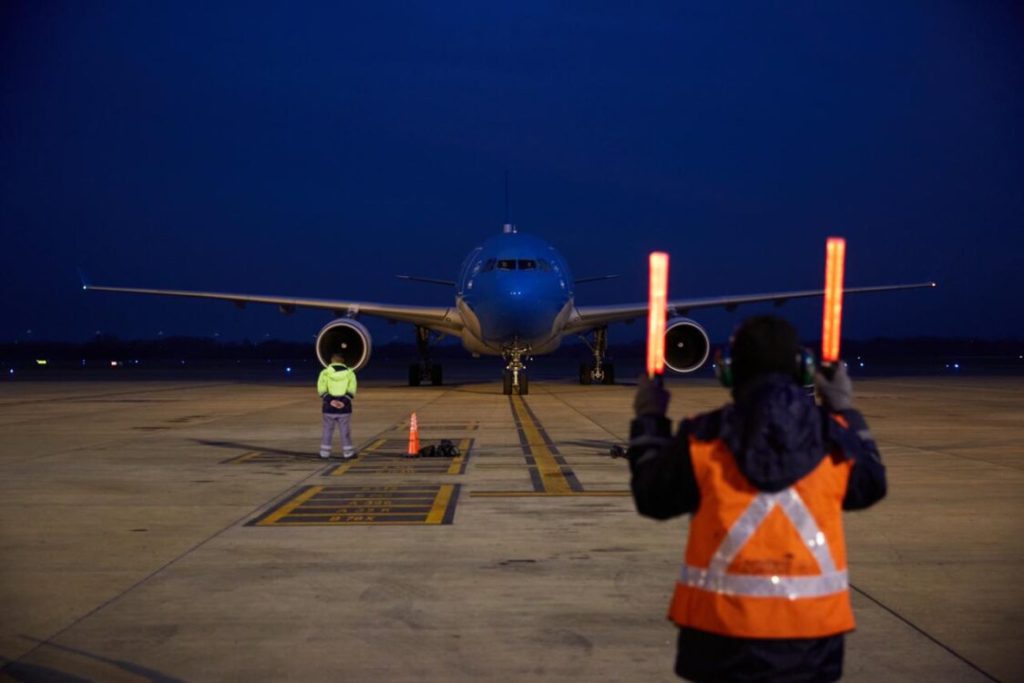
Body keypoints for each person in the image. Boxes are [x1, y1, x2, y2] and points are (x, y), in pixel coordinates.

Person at [627, 315, 886, 683]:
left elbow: (651, 498)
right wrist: (845, 410)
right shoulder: (833, 439)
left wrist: (649, 418)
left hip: (720, 643)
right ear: (803, 369)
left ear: (728, 370)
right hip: (810, 646)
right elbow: (872, 485)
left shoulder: (703, 438)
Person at [317, 353, 358, 459]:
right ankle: (348, 453)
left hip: (328, 407)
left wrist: (330, 401)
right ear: (342, 362)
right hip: (344, 408)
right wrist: (343, 402)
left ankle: (324, 453)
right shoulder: (350, 373)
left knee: (327, 430)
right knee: (345, 431)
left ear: (332, 361)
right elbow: (352, 389)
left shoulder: (325, 373)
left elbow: (321, 390)